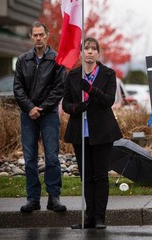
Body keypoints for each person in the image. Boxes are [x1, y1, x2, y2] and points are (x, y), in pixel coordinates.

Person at [62, 37, 122, 229]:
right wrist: (75, 108)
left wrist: (90, 89)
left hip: (102, 132)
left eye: (93, 49)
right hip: (80, 132)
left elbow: (109, 100)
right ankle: (88, 217)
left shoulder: (108, 73)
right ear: (81, 52)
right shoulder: (72, 75)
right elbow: (65, 103)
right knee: (86, 176)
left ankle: (99, 217)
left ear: (98, 53)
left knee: (100, 176)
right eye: (86, 48)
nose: (89, 52)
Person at [13, 21, 67, 213]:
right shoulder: (22, 60)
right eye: (34, 35)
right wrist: (30, 108)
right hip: (28, 116)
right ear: (31, 37)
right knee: (30, 159)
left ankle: (54, 197)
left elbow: (59, 88)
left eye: (41, 35)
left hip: (49, 115)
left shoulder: (57, 60)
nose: (38, 38)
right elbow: (17, 88)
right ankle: (33, 199)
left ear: (47, 35)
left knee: (52, 157)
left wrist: (41, 108)